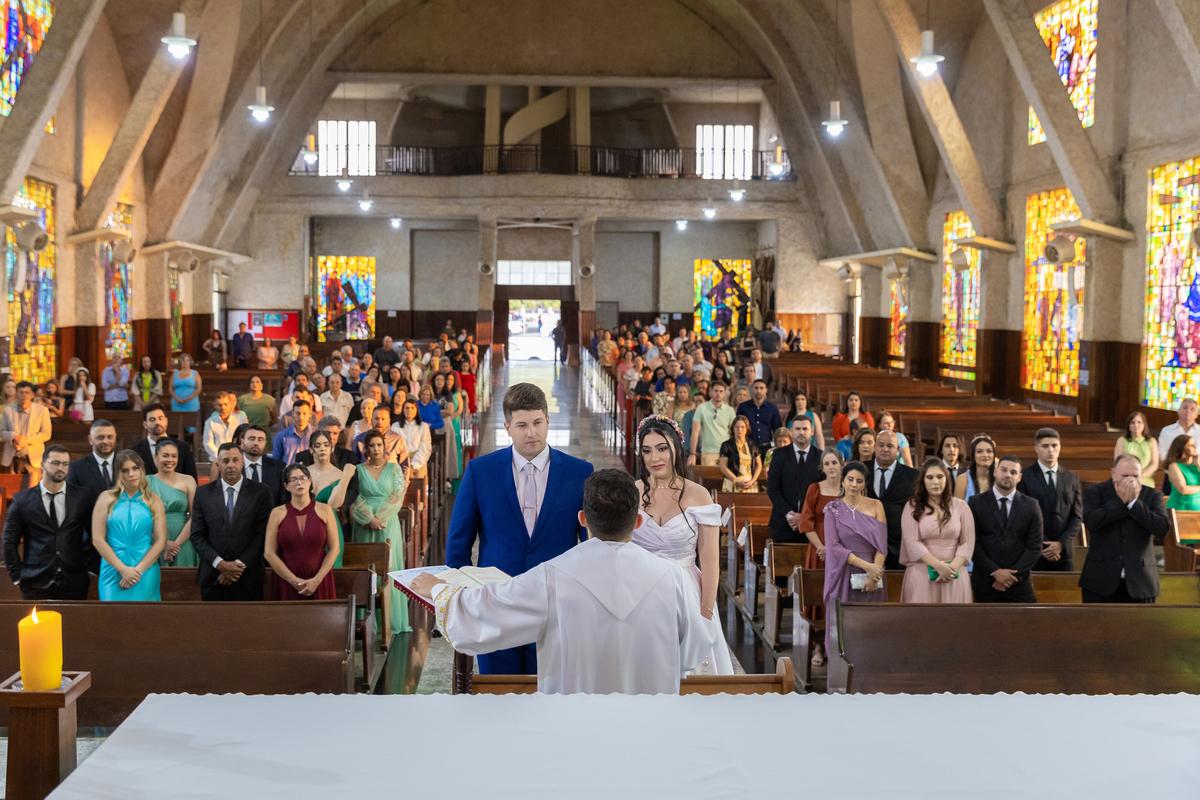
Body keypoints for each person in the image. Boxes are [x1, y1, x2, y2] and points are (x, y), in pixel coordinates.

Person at [414, 469, 714, 695]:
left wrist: (440, 590)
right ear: (637, 521)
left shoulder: (552, 576)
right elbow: (694, 649)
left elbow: (488, 609)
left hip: (571, 726)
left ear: (582, 519)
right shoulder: (672, 578)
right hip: (650, 724)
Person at [445, 382, 594, 675]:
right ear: (508, 428)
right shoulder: (480, 471)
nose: (531, 433)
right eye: (522, 425)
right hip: (495, 606)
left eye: (538, 423)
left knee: (551, 692)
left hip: (555, 607)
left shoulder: (580, 473)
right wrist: (466, 603)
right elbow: (458, 546)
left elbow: (590, 545)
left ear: (548, 420)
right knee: (498, 693)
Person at [631, 416, 732, 675]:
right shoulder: (632, 492)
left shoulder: (698, 494)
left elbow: (709, 561)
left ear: (676, 447)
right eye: (647, 450)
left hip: (686, 591)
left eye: (661, 448)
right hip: (641, 591)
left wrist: (705, 615)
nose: (654, 458)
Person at [2, 445, 93, 600]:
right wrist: (16, 575)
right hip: (35, 581)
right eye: (55, 463)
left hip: (74, 580)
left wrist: (92, 569)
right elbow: (9, 540)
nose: (61, 468)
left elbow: (95, 535)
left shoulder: (82, 497)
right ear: (43, 465)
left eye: (65, 464)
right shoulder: (22, 500)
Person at [189, 443, 274, 601]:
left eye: (235, 460)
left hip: (249, 576)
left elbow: (263, 534)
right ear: (218, 464)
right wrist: (220, 564)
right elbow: (197, 535)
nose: (231, 465)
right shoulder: (203, 493)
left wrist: (238, 566)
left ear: (242, 462)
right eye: (225, 461)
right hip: (213, 576)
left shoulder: (261, 492)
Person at [1079, 454, 1169, 603]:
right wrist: (1120, 501)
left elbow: (1162, 529)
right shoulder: (1096, 492)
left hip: (1141, 582)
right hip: (1100, 581)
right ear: (1113, 473)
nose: (1130, 481)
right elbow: (1091, 523)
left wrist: (1134, 503)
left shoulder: (1152, 495)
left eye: (1135, 476)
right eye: (1125, 476)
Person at [822, 461, 888, 652]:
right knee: (844, 630)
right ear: (843, 480)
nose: (854, 484)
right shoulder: (832, 509)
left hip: (873, 574)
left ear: (864, 484)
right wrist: (867, 567)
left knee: (870, 629)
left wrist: (874, 575)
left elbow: (882, 546)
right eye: (850, 479)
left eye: (859, 481)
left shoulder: (876, 505)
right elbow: (833, 547)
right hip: (844, 572)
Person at [351, 430, 410, 635]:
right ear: (365, 449)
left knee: (389, 567)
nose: (376, 449)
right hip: (364, 523)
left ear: (384, 447)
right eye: (372, 445)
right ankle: (366, 623)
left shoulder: (394, 468)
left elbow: (398, 494)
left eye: (379, 445)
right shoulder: (358, 470)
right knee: (367, 568)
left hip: (388, 523)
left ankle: (391, 620)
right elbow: (355, 497)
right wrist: (369, 517)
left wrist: (381, 516)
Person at [92, 450, 165, 601]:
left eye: (135, 468)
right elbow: (97, 539)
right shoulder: (105, 498)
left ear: (141, 469)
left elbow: (160, 541)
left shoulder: (154, 500)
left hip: (145, 569)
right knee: (112, 613)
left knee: (143, 614)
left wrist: (138, 571)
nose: (131, 474)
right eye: (125, 470)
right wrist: (122, 569)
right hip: (113, 568)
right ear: (118, 474)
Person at [969, 456, 1043, 603]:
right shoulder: (976, 503)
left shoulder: (1031, 506)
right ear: (995, 472)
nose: (1008, 475)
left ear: (1019, 477)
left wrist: (1011, 576)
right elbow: (972, 543)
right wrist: (995, 572)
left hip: (1019, 583)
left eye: (1013, 472)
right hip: (985, 582)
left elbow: (1034, 547)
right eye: (1003, 470)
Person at [899, 458, 974, 603]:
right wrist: (938, 566)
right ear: (923, 481)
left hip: (954, 574)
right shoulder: (912, 506)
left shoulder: (961, 506)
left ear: (946, 479)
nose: (935, 482)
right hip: (922, 573)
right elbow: (912, 542)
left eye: (940, 477)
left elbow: (967, 543)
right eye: (930, 477)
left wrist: (950, 569)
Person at [265, 463, 343, 601]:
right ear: (286, 486)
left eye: (303, 478)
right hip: (287, 579)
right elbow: (269, 553)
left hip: (319, 578)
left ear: (310, 481)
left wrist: (317, 580)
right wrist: (294, 581)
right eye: (293, 480)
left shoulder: (325, 510)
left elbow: (334, 549)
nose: (299, 482)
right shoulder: (277, 513)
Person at [797, 448, 844, 666]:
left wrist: (836, 549)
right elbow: (806, 522)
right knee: (819, 595)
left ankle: (837, 645)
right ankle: (818, 646)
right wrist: (822, 547)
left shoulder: (849, 488)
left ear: (842, 465)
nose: (831, 467)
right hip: (819, 551)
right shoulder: (814, 489)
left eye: (834, 462)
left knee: (838, 595)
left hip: (843, 548)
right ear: (822, 467)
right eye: (827, 463)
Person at [1016, 427, 1083, 571]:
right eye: (1045, 446)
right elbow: (1023, 516)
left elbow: (1077, 516)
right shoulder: (1024, 477)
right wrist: (1045, 545)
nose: (1050, 450)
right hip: (1035, 550)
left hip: (1064, 552)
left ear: (1060, 447)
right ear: (1036, 448)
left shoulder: (1072, 478)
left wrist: (1060, 544)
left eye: (1054, 446)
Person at [867, 430, 919, 570]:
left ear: (897, 449)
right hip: (865, 546)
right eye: (881, 445)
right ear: (875, 446)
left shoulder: (913, 476)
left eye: (890, 446)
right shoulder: (861, 471)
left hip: (899, 549)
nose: (885, 449)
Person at [766, 416, 823, 544]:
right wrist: (789, 514)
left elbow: (823, 492)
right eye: (797, 429)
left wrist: (804, 517)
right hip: (782, 524)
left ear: (812, 431)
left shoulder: (821, 457)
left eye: (805, 429)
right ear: (792, 431)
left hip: (811, 526)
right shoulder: (779, 455)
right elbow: (772, 489)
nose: (801, 432)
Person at [305, 429, 356, 568]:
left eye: (326, 445)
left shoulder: (339, 474)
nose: (322, 448)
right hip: (305, 527)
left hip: (329, 528)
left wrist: (346, 476)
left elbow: (334, 504)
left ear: (331, 448)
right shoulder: (303, 473)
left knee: (331, 570)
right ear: (311, 449)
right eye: (317, 445)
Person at [148, 439, 197, 567]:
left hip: (184, 539)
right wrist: (163, 543)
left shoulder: (188, 480)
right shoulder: (146, 482)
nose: (170, 460)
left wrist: (176, 544)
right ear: (156, 457)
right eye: (165, 456)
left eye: (174, 456)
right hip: (154, 540)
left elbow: (196, 516)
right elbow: (141, 519)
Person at [131, 403, 199, 479]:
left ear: (166, 421)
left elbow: (192, 479)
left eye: (160, 418)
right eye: (152, 419)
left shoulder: (182, 448)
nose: (157, 422)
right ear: (145, 425)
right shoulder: (135, 452)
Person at [1, 381, 51, 483]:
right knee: (10, 488)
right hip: (12, 458)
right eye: (21, 392)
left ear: (32, 394)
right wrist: (14, 437)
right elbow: (2, 432)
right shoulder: (8, 410)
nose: (24, 395)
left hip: (32, 458)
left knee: (33, 489)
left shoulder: (42, 411)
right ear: (16, 394)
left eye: (27, 392)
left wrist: (25, 441)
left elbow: (46, 434)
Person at [66, 420, 118, 511]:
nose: (106, 441)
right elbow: (72, 504)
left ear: (115, 437)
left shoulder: (126, 464)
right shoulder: (77, 468)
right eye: (100, 438)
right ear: (90, 439)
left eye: (110, 437)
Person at [689, 382, 736, 468]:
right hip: (708, 453)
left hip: (726, 452)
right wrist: (692, 454)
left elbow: (734, 433)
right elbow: (695, 432)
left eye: (721, 391)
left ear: (725, 393)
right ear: (711, 392)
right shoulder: (701, 408)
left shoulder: (730, 410)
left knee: (727, 477)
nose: (718, 393)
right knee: (709, 476)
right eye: (716, 391)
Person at [237, 424, 284, 506]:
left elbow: (282, 498)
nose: (256, 443)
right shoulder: (233, 467)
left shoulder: (278, 467)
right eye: (252, 439)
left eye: (260, 440)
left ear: (265, 443)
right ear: (242, 442)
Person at [1116, 411, 1159, 488]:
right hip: (1126, 480)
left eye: (1139, 422)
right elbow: (1118, 462)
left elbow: (1154, 464)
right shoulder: (1122, 440)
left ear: (1144, 425)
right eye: (1132, 422)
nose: (1136, 425)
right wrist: (1130, 477)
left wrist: (1140, 475)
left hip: (1145, 480)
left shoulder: (1152, 442)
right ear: (1128, 426)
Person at [719, 415, 761, 493]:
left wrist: (752, 481)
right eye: (737, 427)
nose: (740, 430)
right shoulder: (726, 445)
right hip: (732, 484)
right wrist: (736, 481)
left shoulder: (752, 444)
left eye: (742, 427)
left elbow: (759, 465)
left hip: (749, 484)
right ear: (733, 428)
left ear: (747, 428)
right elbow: (723, 466)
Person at [202, 391, 248, 461]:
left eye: (225, 404)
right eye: (220, 405)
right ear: (215, 405)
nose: (223, 407)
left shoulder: (240, 419)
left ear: (230, 404)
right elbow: (208, 443)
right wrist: (221, 455)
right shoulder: (210, 422)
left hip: (238, 457)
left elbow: (245, 440)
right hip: (218, 458)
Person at [736, 379, 781, 450]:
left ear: (766, 390)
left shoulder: (772, 408)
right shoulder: (743, 407)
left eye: (761, 388)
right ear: (752, 389)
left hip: (766, 447)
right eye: (756, 388)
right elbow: (737, 426)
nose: (758, 391)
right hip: (747, 447)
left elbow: (777, 429)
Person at [392, 399, 432, 479]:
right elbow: (393, 447)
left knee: (420, 483)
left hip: (419, 460)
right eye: (407, 408)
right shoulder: (395, 426)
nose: (409, 410)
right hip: (400, 460)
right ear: (403, 410)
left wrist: (413, 467)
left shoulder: (423, 426)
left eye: (412, 408)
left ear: (416, 410)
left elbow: (425, 448)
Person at [272, 399, 315, 464]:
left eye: (304, 413)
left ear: (310, 414)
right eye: (298, 413)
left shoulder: (316, 434)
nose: (301, 417)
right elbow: (276, 461)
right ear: (292, 413)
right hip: (289, 470)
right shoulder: (281, 436)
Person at [1163, 435, 1200, 511]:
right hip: (1181, 508)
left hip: (1197, 509)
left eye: (1194, 445)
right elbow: (1183, 489)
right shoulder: (1174, 466)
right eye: (1191, 445)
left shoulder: (1197, 466)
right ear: (1182, 448)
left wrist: (1198, 465)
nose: (1195, 447)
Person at [954, 434, 995, 500]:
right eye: (979, 451)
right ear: (973, 455)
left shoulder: (999, 478)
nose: (985, 455)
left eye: (989, 451)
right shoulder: (962, 479)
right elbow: (958, 506)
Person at [169, 353, 202, 418]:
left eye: (187, 360)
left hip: (191, 403)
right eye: (183, 360)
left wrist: (188, 398)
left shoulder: (195, 373)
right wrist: (177, 398)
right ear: (180, 362)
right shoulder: (174, 374)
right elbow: (170, 389)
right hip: (177, 402)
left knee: (190, 420)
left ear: (190, 362)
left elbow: (199, 389)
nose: (185, 362)